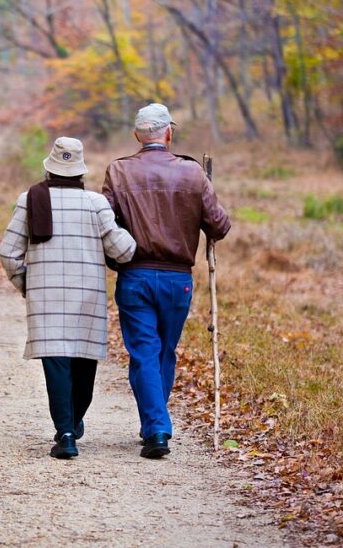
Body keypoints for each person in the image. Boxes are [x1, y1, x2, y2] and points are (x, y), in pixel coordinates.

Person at [102, 104, 231, 459]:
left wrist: (115, 252)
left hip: (135, 274)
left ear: (137, 136)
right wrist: (203, 191)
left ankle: (155, 425)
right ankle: (156, 425)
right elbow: (220, 226)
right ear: (169, 134)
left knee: (145, 352)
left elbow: (103, 221)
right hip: (178, 280)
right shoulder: (192, 173)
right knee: (162, 351)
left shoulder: (118, 171)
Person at [0, 137, 136, 459]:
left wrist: (26, 284)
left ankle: (66, 433)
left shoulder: (29, 200)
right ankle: (73, 423)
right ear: (81, 172)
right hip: (87, 296)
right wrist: (128, 230)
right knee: (83, 363)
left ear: (49, 168)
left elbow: (8, 253)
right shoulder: (96, 203)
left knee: (56, 363)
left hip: (45, 298)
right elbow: (124, 251)